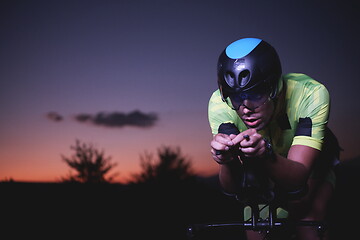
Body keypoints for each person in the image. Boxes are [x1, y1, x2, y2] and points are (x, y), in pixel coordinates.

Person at [208, 37, 341, 240]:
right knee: (257, 232)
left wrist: (266, 154)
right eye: (236, 97)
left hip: (312, 165)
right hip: (262, 168)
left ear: (275, 87)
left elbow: (298, 180)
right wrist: (226, 161)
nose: (245, 108)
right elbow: (232, 189)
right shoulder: (219, 103)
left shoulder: (311, 93)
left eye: (255, 94)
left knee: (306, 222)